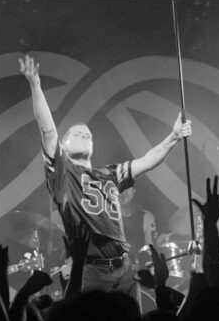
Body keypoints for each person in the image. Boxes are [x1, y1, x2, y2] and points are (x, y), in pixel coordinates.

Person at [19, 54, 192, 296]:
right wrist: (36, 85)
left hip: (124, 267)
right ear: (64, 147)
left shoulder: (109, 174)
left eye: (88, 135)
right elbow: (48, 131)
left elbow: (147, 161)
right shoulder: (63, 173)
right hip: (90, 270)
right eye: (77, 133)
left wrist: (173, 137)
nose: (85, 135)